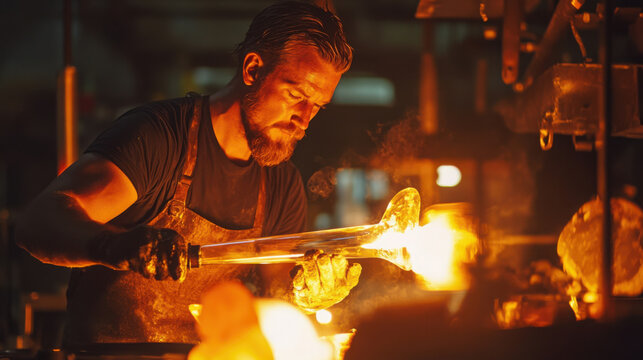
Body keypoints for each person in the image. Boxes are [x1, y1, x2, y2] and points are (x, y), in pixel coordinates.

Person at [15, 1, 361, 345]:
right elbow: (38, 222)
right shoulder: (159, 139)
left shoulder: (281, 185)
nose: (304, 118)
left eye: (317, 106)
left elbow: (275, 297)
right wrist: (116, 245)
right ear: (253, 69)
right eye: (296, 94)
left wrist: (305, 292)